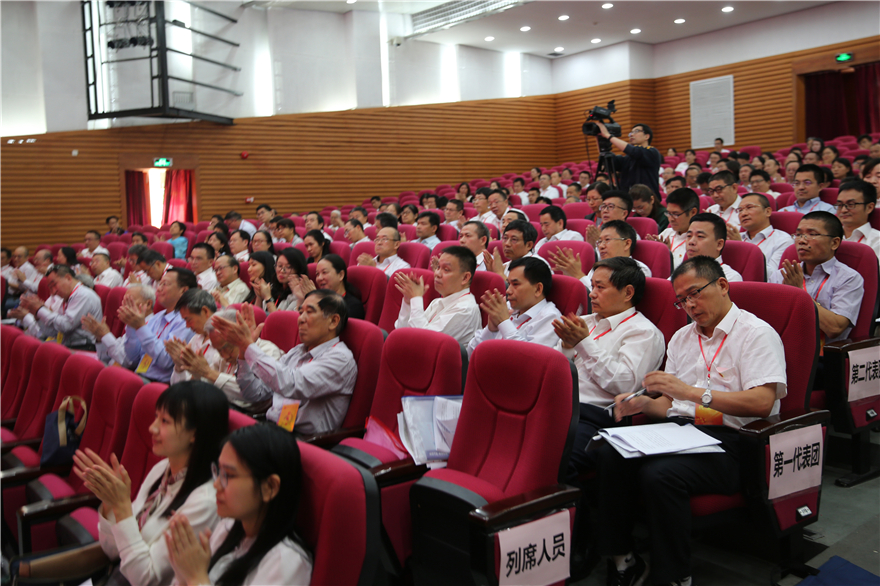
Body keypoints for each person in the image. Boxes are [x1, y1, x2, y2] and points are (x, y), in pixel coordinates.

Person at [601, 256, 788, 586]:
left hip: (734, 443)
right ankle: (623, 559)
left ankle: (674, 576)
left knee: (660, 475)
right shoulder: (681, 337)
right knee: (608, 452)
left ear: (722, 285)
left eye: (695, 294)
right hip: (683, 432)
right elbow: (671, 405)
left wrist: (692, 392)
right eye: (681, 300)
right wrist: (644, 403)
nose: (689, 305)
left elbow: (762, 402)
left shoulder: (756, 333)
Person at [15, 381, 228, 586]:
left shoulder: (205, 502)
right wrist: (110, 505)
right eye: (156, 417)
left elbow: (144, 579)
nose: (152, 428)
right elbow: (112, 550)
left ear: (195, 434)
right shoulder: (162, 469)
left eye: (165, 421)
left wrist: (122, 507)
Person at [554, 256, 664, 478]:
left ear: (628, 293)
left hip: (594, 417)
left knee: (554, 460)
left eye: (600, 287)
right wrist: (566, 347)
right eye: (592, 286)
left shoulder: (642, 332)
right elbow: (555, 371)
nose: (591, 293)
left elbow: (625, 384)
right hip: (557, 405)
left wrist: (584, 343)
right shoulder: (585, 321)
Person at [165, 424, 312, 586]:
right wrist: (183, 574)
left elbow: (199, 579)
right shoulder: (228, 526)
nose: (216, 484)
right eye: (218, 472)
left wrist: (196, 578)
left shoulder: (287, 562)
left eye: (228, 475)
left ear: (270, 487)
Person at [214, 290, 357, 433]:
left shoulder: (340, 358)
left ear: (333, 321)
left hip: (303, 439)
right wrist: (243, 352)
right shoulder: (297, 351)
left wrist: (248, 346)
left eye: (309, 312)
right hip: (274, 428)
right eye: (300, 312)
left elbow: (292, 384)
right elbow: (255, 393)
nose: (300, 319)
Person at [769, 211, 864, 344]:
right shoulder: (781, 275)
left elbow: (835, 328)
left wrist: (799, 293)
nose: (802, 241)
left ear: (834, 243)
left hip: (826, 353)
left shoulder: (849, 278)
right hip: (782, 347)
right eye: (798, 234)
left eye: (812, 234)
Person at [467, 257, 561, 357]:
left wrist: (504, 322)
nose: (508, 291)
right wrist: (490, 330)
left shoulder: (551, 318)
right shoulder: (507, 307)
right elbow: (470, 354)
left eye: (515, 284)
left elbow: (530, 360)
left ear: (538, 289)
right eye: (509, 284)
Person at [394, 245, 481, 348]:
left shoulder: (465, 309)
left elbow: (423, 342)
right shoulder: (436, 302)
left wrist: (416, 298)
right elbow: (402, 333)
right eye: (438, 267)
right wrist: (408, 302)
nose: (437, 274)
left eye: (446, 269)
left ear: (465, 277)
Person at [122, 267, 197, 382]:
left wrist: (141, 327)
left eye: (165, 284)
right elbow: (133, 358)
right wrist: (132, 325)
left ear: (183, 291)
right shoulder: (157, 317)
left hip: (159, 384)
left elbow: (165, 361)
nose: (159, 288)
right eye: (159, 284)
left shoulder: (186, 322)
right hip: (139, 376)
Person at [15, 265, 103, 350]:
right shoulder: (67, 298)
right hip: (68, 344)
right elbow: (54, 332)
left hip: (84, 347)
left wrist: (40, 309)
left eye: (54, 285)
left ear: (68, 278)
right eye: (50, 288)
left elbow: (66, 325)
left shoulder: (84, 295)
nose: (53, 292)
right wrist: (37, 315)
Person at [84, 284, 155, 367]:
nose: (123, 306)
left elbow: (127, 362)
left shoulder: (152, 327)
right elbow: (105, 358)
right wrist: (100, 338)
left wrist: (105, 335)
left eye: (129, 301)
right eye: (123, 301)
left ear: (148, 304)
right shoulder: (132, 325)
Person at [727, 193, 794, 277]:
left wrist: (741, 248)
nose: (743, 214)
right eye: (740, 210)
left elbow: (773, 276)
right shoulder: (734, 238)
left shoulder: (783, 240)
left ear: (767, 211)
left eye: (749, 207)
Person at [594, 122, 662, 196]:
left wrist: (608, 136)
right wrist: (600, 137)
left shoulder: (652, 152)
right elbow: (608, 160)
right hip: (628, 199)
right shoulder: (627, 158)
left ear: (646, 136)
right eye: (631, 133)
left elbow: (635, 152)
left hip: (647, 198)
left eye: (636, 131)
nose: (631, 135)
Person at [650, 187, 699, 269]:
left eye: (676, 214)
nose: (671, 219)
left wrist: (666, 254)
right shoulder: (667, 232)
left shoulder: (699, 240)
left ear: (693, 212)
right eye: (668, 213)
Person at [687, 213, 743, 282]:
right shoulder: (681, 274)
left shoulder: (729, 278)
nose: (691, 242)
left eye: (700, 236)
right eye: (689, 236)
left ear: (719, 244)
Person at [835, 179, 879, 264]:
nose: (843, 210)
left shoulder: (877, 241)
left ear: (869, 207)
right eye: (840, 205)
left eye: (851, 204)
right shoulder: (829, 236)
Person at [314, 254, 365, 320]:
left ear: (341, 275)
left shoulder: (354, 306)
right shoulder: (321, 300)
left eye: (324, 272)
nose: (319, 278)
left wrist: (316, 301)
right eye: (317, 274)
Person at [267, 248, 310, 312]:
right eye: (279, 266)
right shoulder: (271, 287)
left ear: (298, 270)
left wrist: (268, 298)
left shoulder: (300, 294)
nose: (282, 271)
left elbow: (283, 318)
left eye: (288, 267)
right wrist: (259, 297)